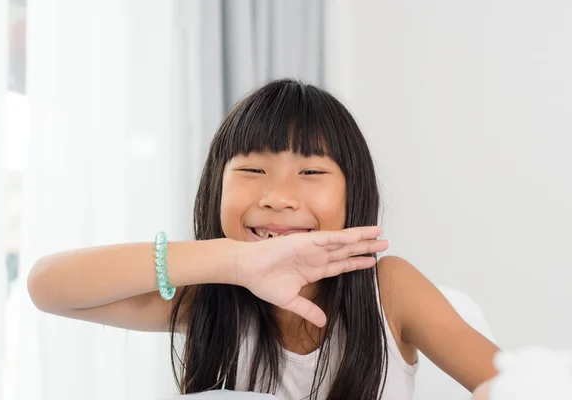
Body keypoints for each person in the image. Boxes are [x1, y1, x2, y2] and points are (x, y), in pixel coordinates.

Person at [27, 79, 500, 400]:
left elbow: (516, 386)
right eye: (252, 171)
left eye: (311, 172)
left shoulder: (388, 290)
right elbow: (48, 287)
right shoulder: (210, 298)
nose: (277, 197)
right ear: (216, 187)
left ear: (355, 191)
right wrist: (229, 263)